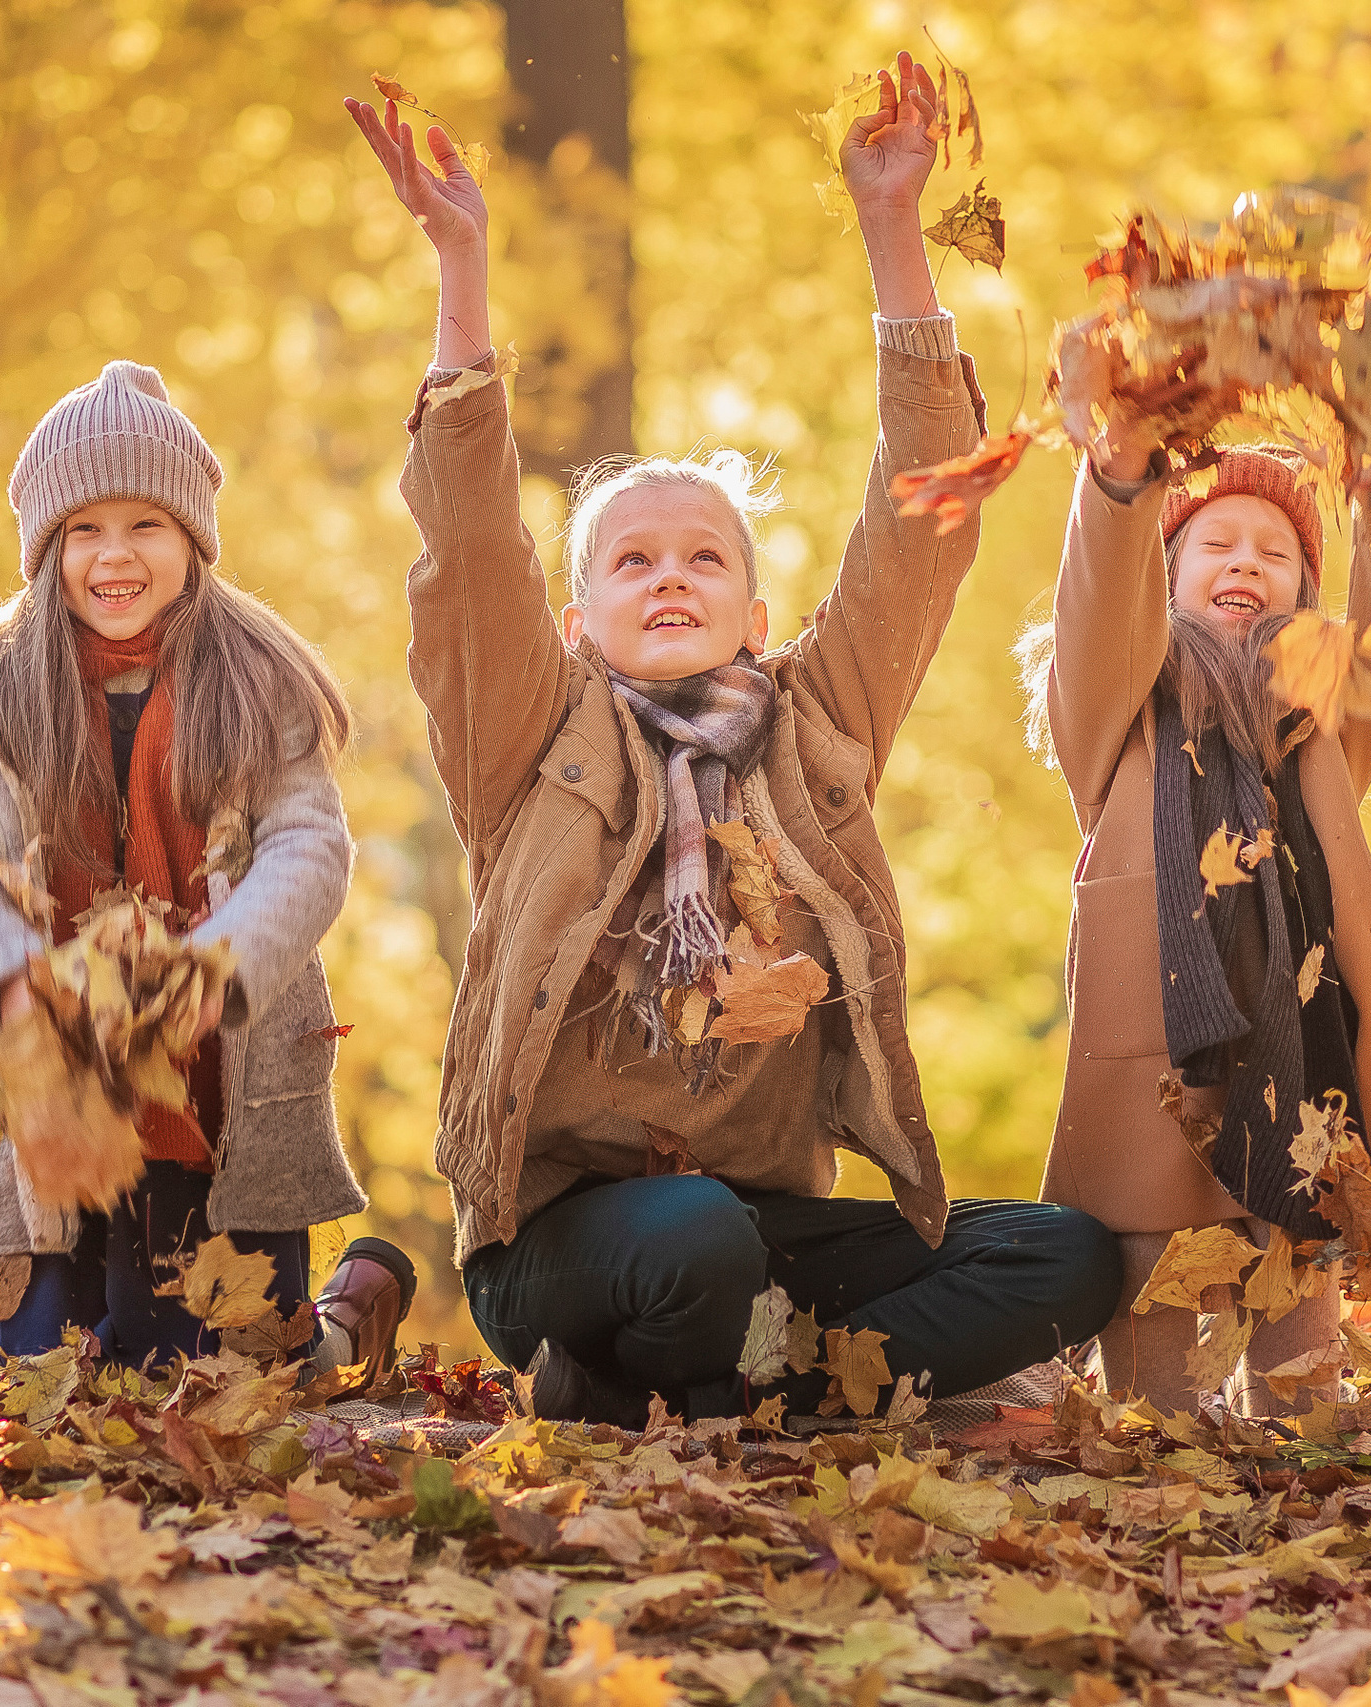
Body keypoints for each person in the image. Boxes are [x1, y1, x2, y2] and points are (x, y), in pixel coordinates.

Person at [348, 55, 1122, 1427]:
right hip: (565, 1239)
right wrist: (461, 266)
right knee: (692, 1238)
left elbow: (920, 526)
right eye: (631, 560)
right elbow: (469, 549)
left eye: (702, 556)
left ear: (755, 611)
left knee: (1060, 1253)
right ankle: (704, 1366)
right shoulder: (530, 738)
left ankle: (768, 1384)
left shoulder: (810, 730)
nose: (669, 575)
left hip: (762, 1232)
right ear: (578, 621)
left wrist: (894, 230)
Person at [0, 360, 414, 1377]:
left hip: (214, 1091)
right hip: (57, 1084)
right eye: (84, 529)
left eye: (146, 525)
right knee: (45, 1372)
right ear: (47, 549)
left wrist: (212, 967)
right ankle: (148, 1305)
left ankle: (346, 1321)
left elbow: (311, 848)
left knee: (221, 1382)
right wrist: (12, 985)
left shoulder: (256, 683)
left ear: (192, 541)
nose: (114, 556)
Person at [1027, 309, 1371, 1412]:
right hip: (1156, 1100)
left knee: (1304, 1419)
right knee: (1151, 1423)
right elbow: (1096, 599)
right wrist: (1123, 469)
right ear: (1166, 575)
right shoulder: (1114, 711)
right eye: (1214, 545)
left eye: (1274, 553)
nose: (1246, 563)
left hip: (1300, 1096)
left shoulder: (1317, 720)